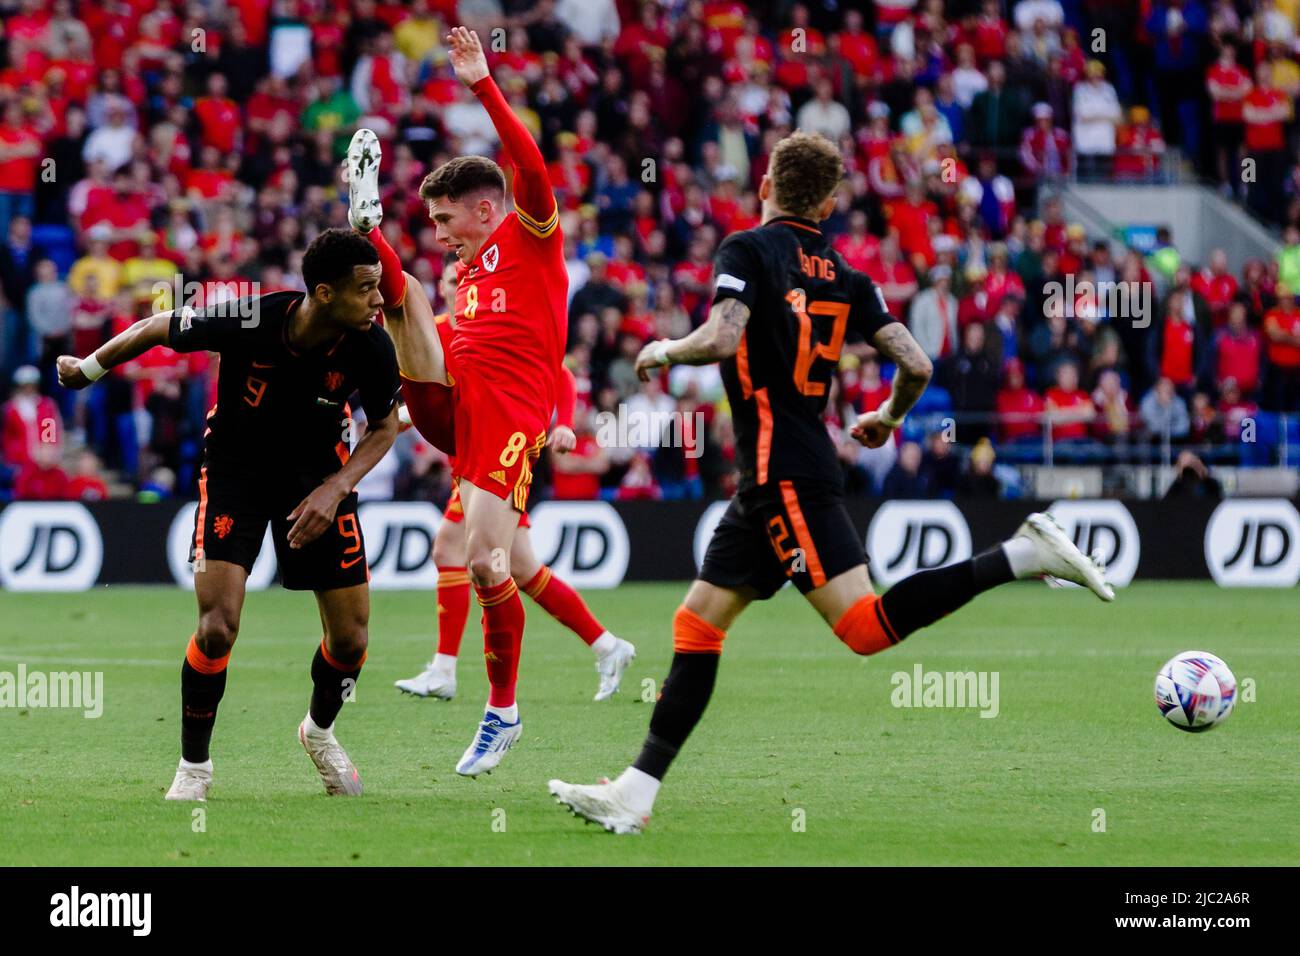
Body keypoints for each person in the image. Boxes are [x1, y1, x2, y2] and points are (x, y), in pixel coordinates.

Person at [547, 130, 1114, 834]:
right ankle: (634, 794)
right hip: (778, 471)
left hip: (781, 471)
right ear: (831, 202)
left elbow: (723, 337)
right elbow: (916, 363)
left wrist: (666, 348)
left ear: (765, 185)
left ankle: (1023, 555)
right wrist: (887, 416)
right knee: (696, 622)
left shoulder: (747, 250)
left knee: (865, 628)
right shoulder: (848, 275)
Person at [57, 228, 403, 802]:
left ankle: (319, 733)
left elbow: (386, 426)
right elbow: (156, 326)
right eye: (366, 288)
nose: (377, 300)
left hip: (318, 481)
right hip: (235, 477)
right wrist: (88, 369)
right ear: (322, 292)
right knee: (217, 627)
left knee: (350, 639)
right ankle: (195, 767)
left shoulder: (371, 344)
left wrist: (336, 488)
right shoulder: (250, 316)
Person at [348, 28, 577, 776]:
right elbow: (439, 333)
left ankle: (502, 710)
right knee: (404, 296)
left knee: (486, 562)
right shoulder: (465, 278)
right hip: (457, 405)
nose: (442, 234)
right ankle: (366, 226)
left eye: (447, 220)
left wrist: (482, 83)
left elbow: (532, 166)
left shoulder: (532, 235)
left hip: (508, 419)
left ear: (485, 210)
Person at [373, 260, 634, 702]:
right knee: (524, 570)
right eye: (453, 282)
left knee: (448, 549)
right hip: (468, 460)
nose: (460, 288)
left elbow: (561, 373)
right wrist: (404, 416)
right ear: (443, 287)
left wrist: (565, 422)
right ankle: (608, 645)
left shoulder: (493, 325)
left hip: (498, 458)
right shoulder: (434, 329)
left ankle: (446, 670)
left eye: (464, 281)